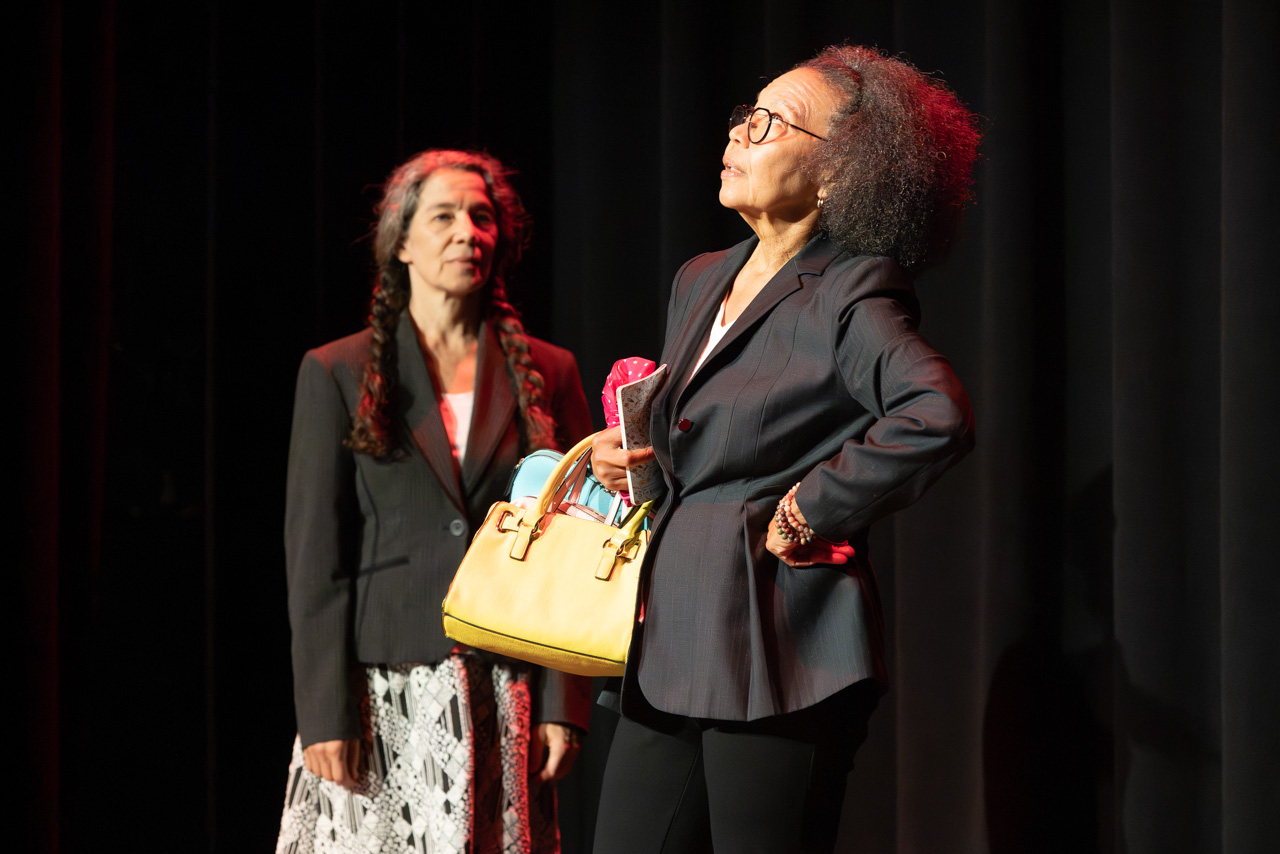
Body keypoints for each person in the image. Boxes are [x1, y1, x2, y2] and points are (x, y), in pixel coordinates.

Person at [590, 45, 981, 853]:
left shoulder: (852, 288)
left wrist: (812, 506)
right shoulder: (700, 277)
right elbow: (706, 441)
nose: (739, 133)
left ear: (838, 172)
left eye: (770, 123)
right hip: (670, 633)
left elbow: (934, 412)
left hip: (778, 639)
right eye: (746, 115)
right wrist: (628, 455)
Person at [277, 149, 593, 853]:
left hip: (505, 684)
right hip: (381, 688)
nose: (466, 233)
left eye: (481, 217)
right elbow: (315, 558)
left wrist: (564, 700)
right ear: (402, 243)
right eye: (444, 216)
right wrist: (324, 712)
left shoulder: (549, 369)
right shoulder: (337, 370)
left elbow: (572, 548)